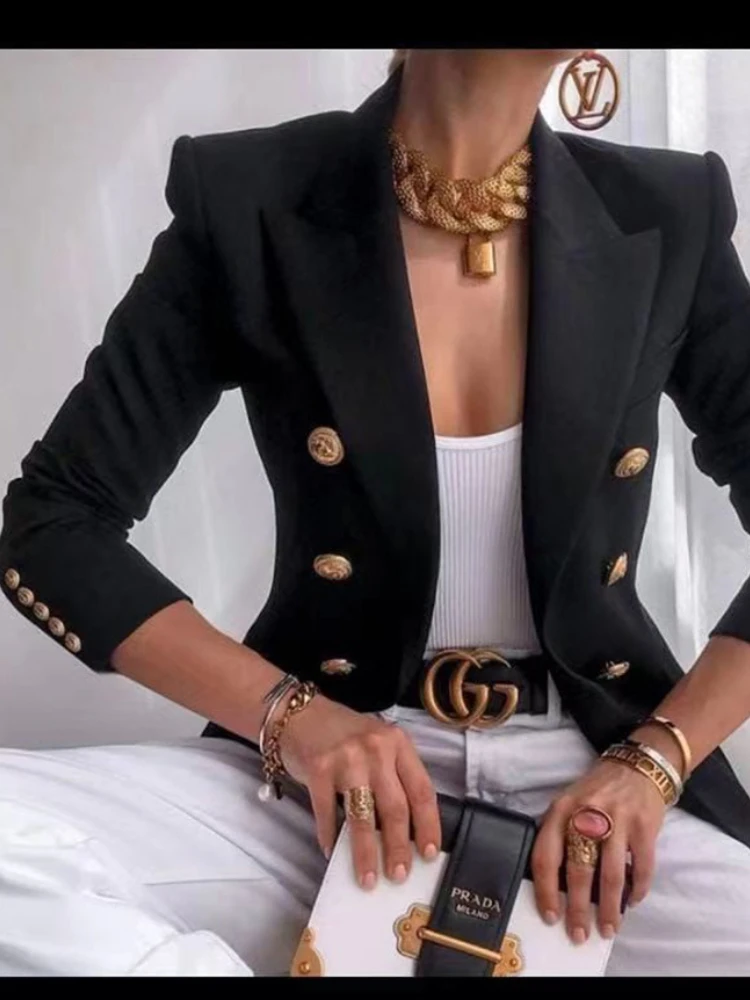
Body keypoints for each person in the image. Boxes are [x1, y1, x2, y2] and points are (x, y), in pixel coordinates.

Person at [2, 47, 750, 977]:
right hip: (323, 787)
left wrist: (657, 759)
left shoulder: (665, 211)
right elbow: (56, 521)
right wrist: (294, 720)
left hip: (594, 798)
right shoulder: (252, 197)